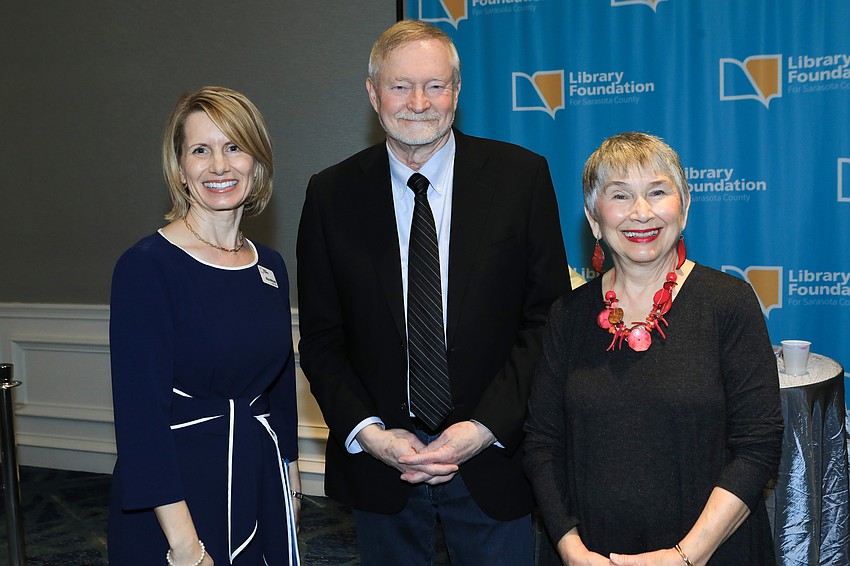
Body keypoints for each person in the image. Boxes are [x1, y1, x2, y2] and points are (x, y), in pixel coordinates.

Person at [296, 19, 571, 566]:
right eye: (400, 86)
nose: (418, 102)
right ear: (374, 94)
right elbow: (323, 340)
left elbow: (547, 322)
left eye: (435, 85)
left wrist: (483, 427)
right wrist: (372, 436)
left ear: (457, 92)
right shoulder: (331, 193)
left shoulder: (522, 178)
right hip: (383, 471)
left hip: (496, 460)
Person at [524, 132, 784, 565]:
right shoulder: (567, 316)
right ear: (593, 218)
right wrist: (571, 550)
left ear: (684, 208)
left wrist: (685, 557)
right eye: (620, 195)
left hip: (711, 553)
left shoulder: (729, 303)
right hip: (592, 556)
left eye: (657, 192)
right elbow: (541, 444)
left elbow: (758, 445)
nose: (640, 213)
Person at [108, 86, 301, 565]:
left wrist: (291, 491)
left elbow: (279, 392)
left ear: (257, 161)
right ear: (180, 167)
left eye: (234, 147)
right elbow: (140, 420)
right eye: (201, 150)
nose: (220, 166)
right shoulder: (146, 267)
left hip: (259, 477)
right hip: (175, 498)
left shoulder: (271, 265)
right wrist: (186, 547)